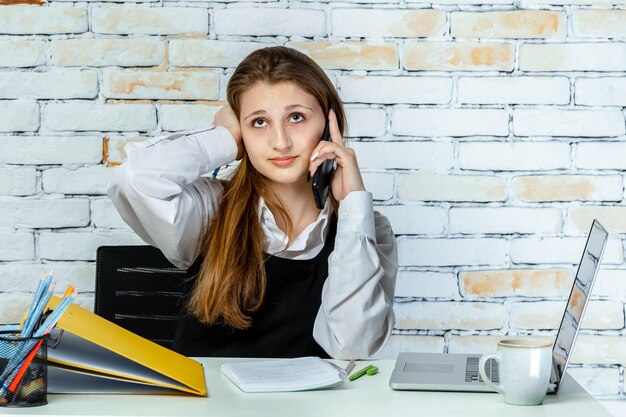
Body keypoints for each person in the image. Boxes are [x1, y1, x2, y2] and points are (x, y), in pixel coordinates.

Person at [107, 46, 397, 360]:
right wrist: (225, 138)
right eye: (259, 122)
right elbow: (133, 179)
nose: (280, 142)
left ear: (328, 125)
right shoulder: (210, 209)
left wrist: (354, 204)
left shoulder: (366, 227)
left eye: (296, 117)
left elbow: (354, 347)